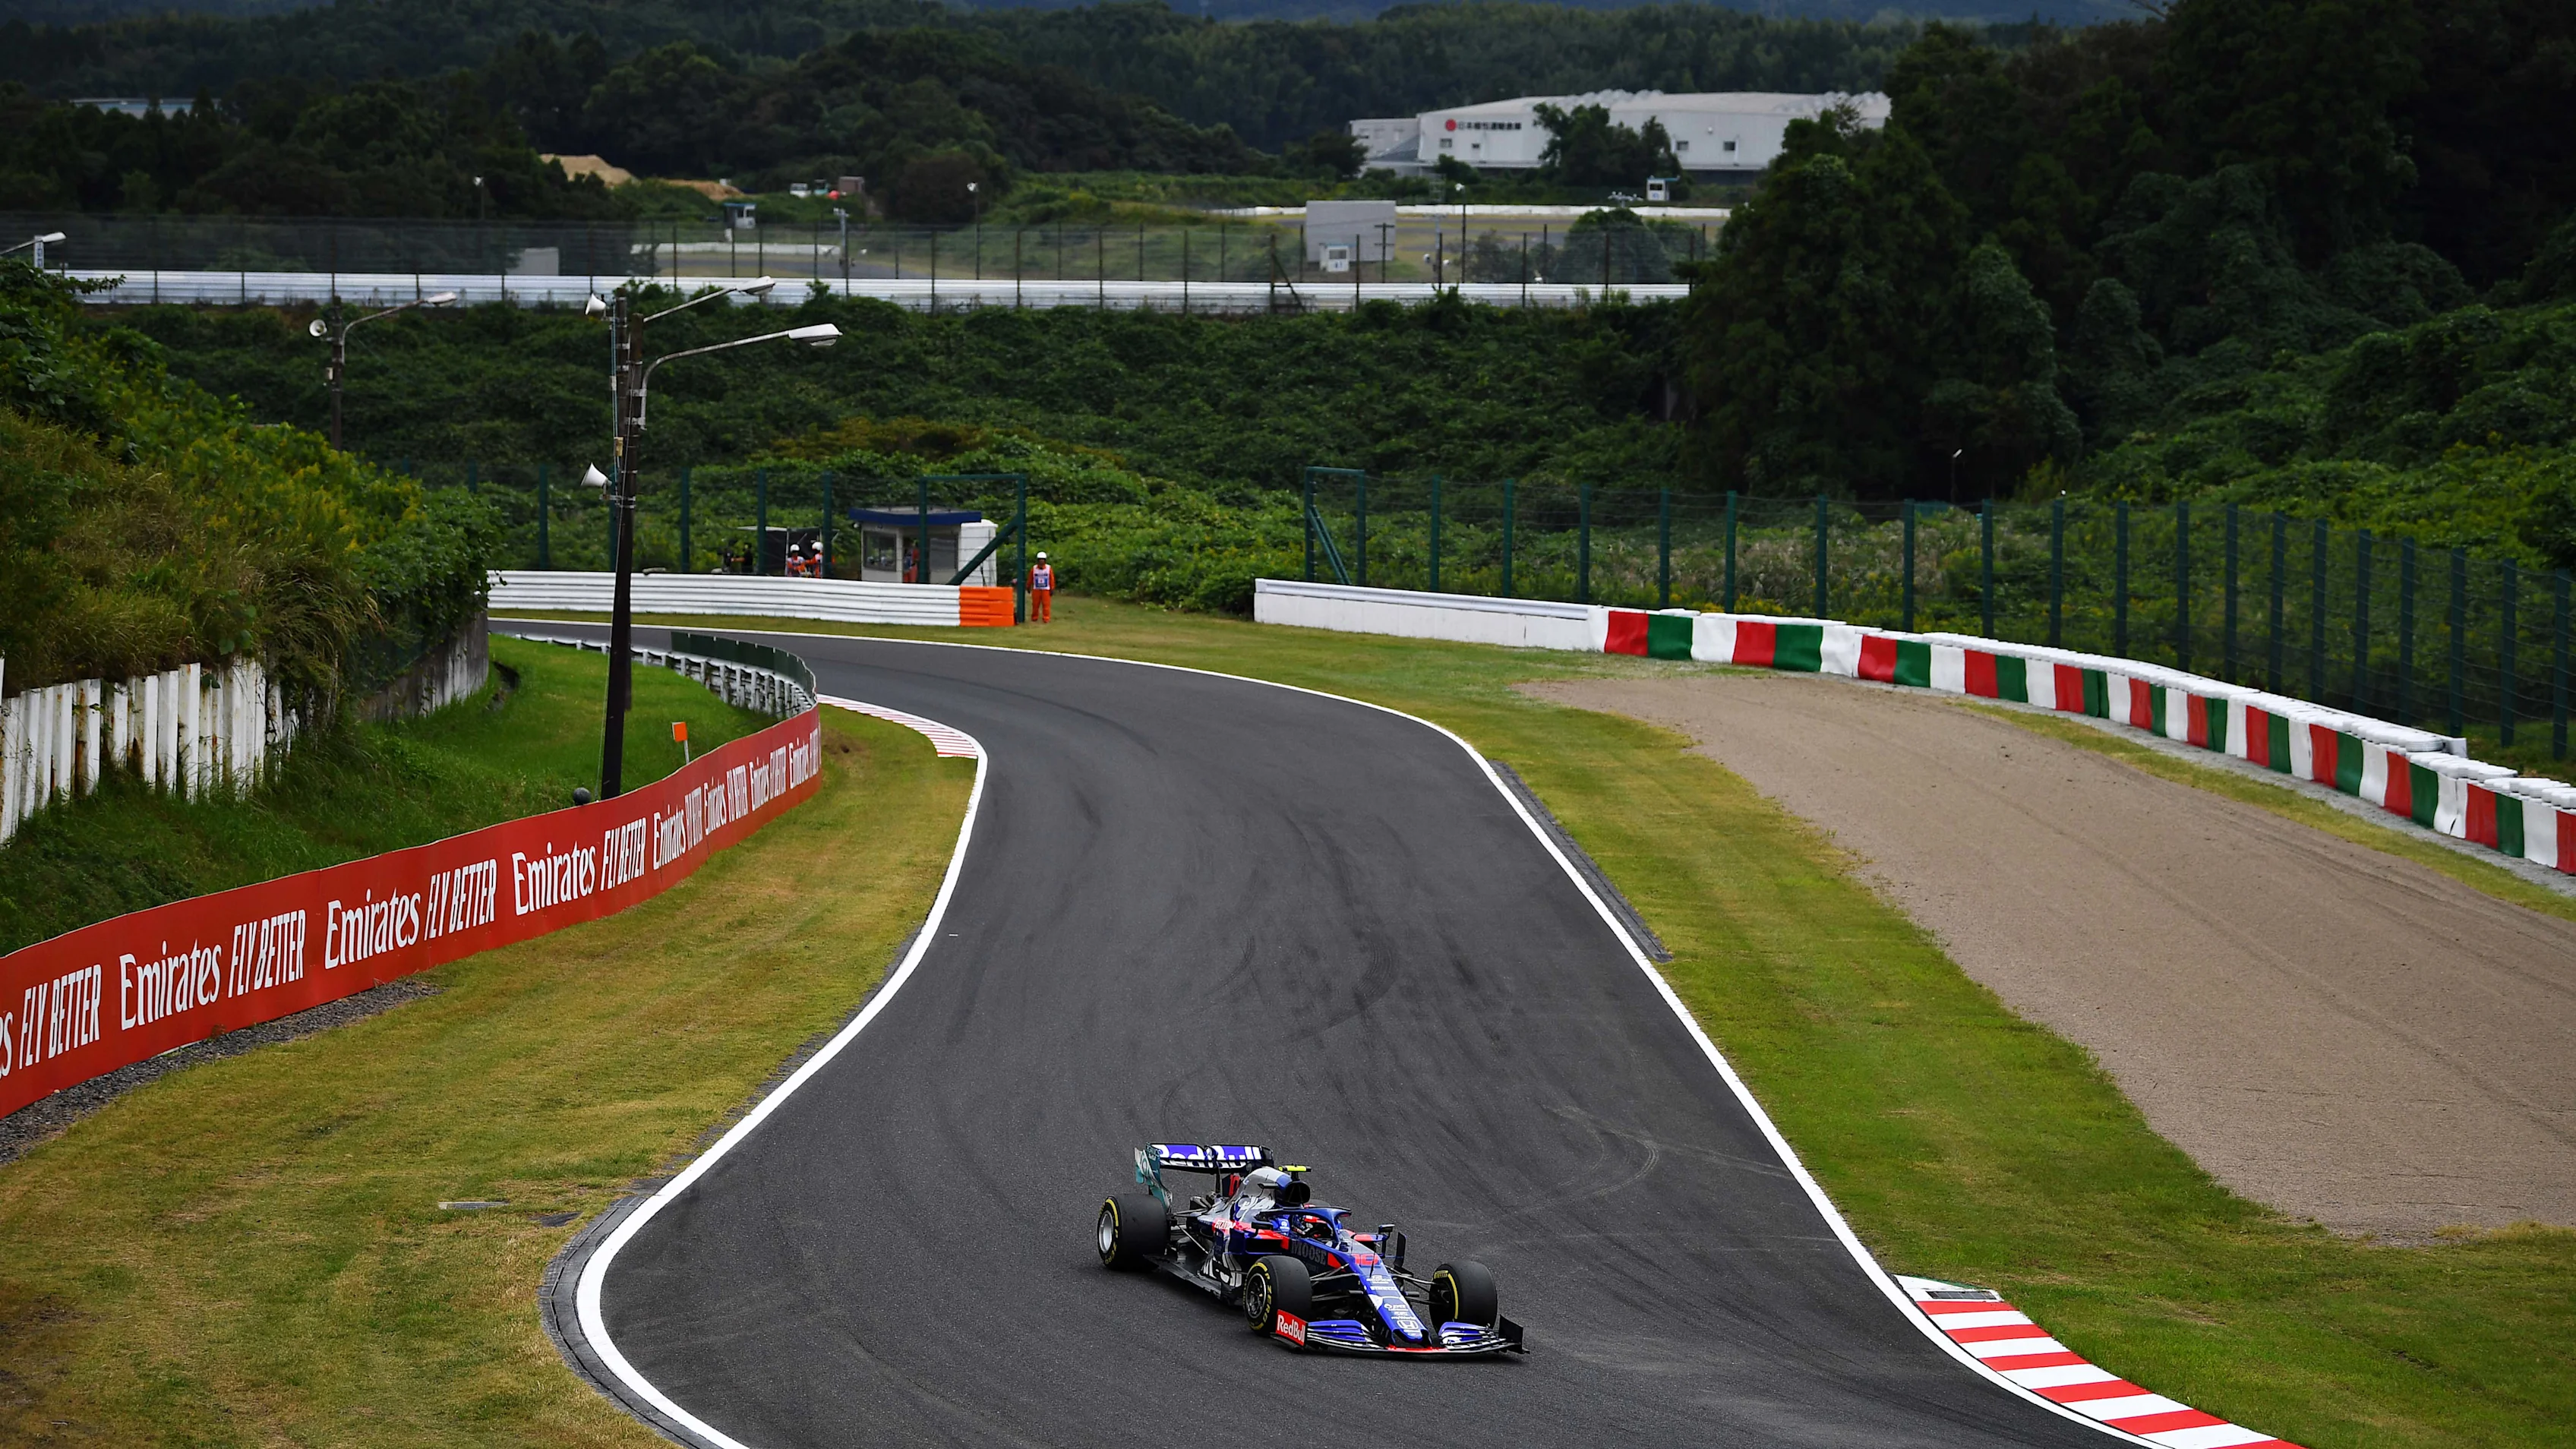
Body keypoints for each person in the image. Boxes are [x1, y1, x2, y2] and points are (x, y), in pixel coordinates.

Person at [1029, 551, 1054, 623]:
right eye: (1040, 560)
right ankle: (1034, 617)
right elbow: (1030, 578)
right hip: (1036, 589)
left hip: (1046, 589)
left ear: (1045, 561)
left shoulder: (1049, 568)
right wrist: (1028, 586)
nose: (1041, 562)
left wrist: (1052, 588)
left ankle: (1046, 618)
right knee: (1035, 605)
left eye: (1042, 560)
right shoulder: (1034, 569)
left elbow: (1051, 579)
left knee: (1046, 605)